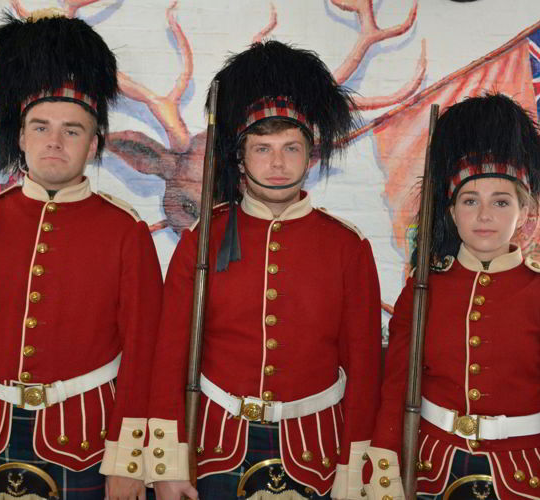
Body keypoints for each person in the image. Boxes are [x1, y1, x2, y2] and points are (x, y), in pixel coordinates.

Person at [0, 11, 162, 500]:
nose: (54, 142)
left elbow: (144, 356)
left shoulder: (127, 232)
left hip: (83, 440)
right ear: (20, 138)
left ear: (94, 145)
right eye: (40, 127)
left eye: (72, 130)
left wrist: (130, 460)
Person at [144, 40, 382, 500]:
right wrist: (168, 462)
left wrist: (356, 470)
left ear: (311, 157)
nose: (277, 164)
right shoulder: (201, 238)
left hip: (316, 450)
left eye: (291, 148)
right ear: (239, 158)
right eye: (262, 148)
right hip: (214, 447)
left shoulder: (346, 246)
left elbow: (365, 366)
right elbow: (169, 355)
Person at [363, 93, 540, 499]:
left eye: (501, 202)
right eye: (470, 201)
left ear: (524, 212)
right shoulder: (424, 289)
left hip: (522, 476)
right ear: (451, 211)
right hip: (431, 472)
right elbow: (396, 391)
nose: (484, 216)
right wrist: (385, 474)